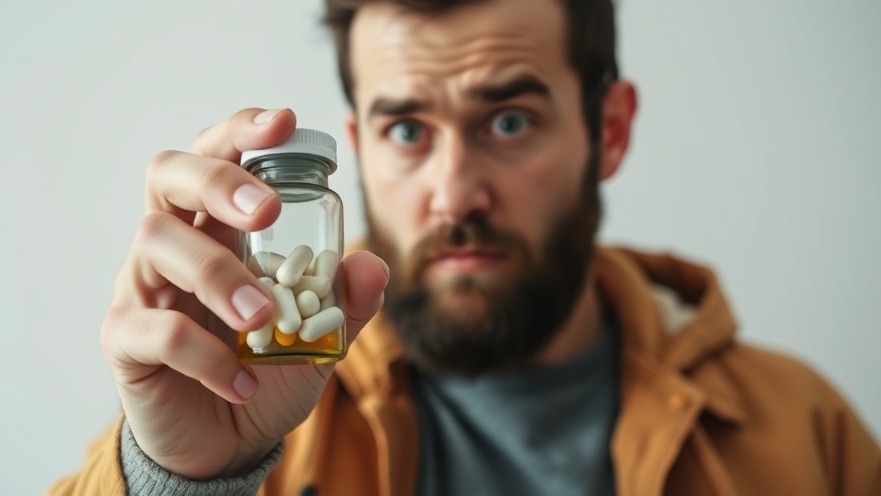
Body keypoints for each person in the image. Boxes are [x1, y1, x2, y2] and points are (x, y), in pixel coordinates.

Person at [49, 0, 881, 494]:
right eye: (406, 128)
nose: (454, 193)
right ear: (358, 149)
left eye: (509, 121)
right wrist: (178, 483)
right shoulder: (239, 407)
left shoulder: (804, 434)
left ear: (609, 130)